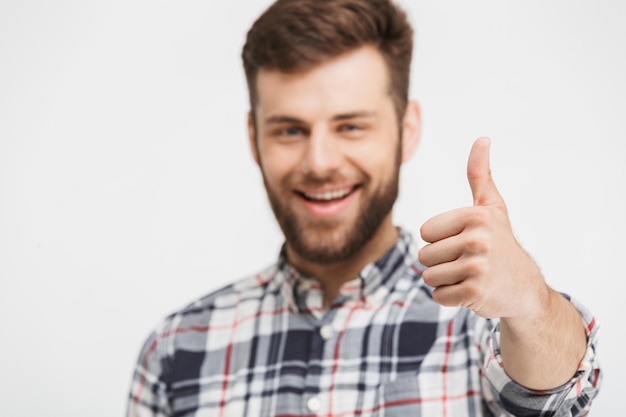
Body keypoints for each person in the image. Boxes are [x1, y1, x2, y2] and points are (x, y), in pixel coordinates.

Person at [126, 0, 602, 415]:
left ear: (406, 129)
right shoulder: (177, 351)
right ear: (254, 138)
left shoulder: (485, 323)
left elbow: (558, 394)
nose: (320, 162)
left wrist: (529, 303)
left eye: (351, 126)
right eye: (289, 130)